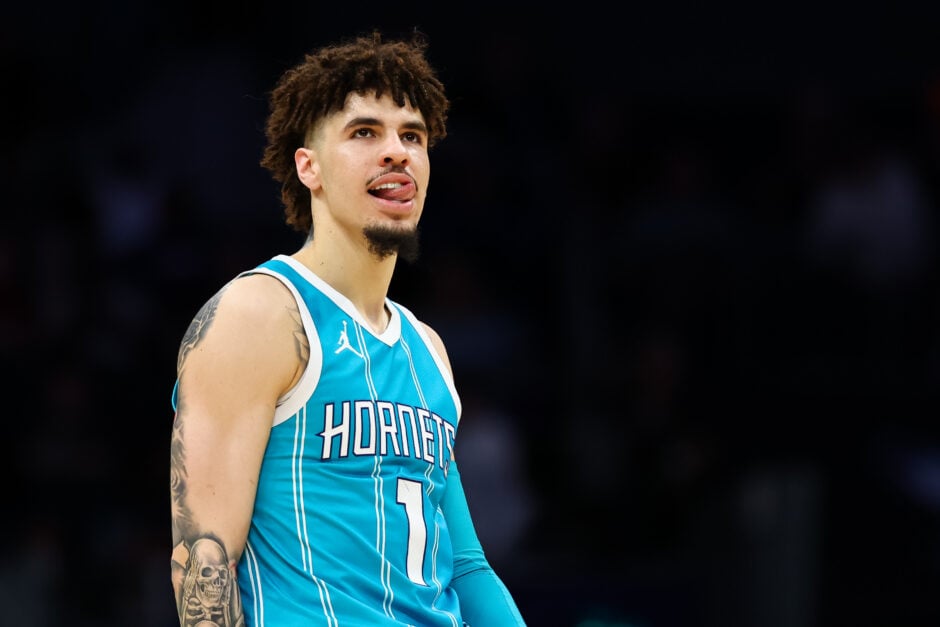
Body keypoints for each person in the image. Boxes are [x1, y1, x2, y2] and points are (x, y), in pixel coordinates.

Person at [169, 31, 527, 627]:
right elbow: (205, 561)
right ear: (307, 166)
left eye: (412, 136)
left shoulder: (427, 350)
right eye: (365, 133)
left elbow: (467, 568)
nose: (397, 152)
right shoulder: (260, 315)